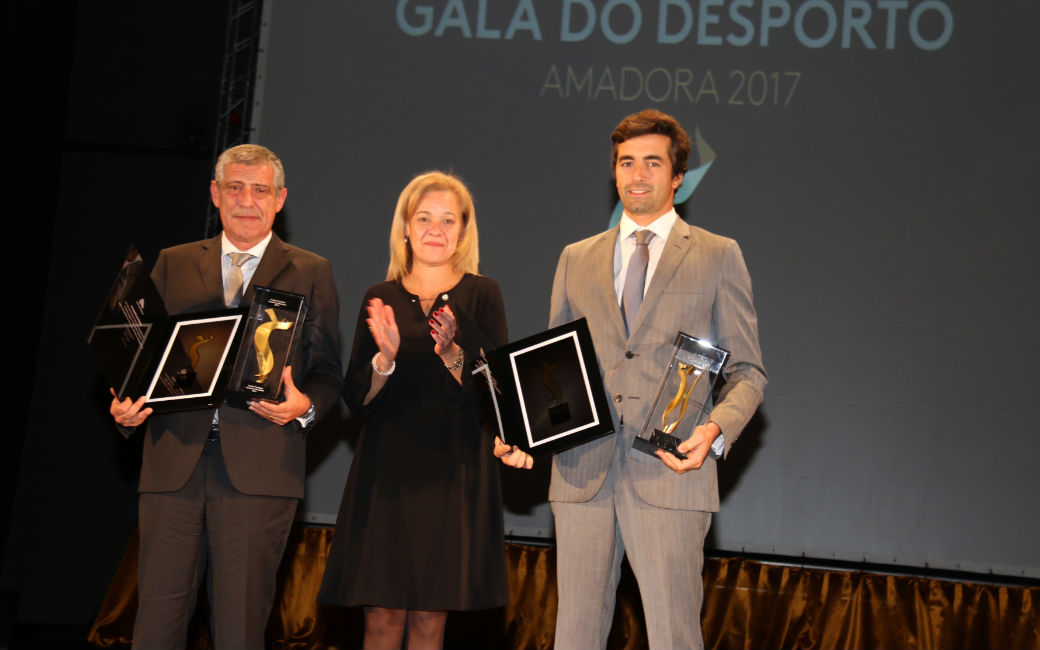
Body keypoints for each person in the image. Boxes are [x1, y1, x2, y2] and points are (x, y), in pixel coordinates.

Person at [547, 109, 767, 650]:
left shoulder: (718, 255)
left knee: (673, 637)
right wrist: (527, 427)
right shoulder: (576, 258)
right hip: (582, 476)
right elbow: (553, 369)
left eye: (652, 162)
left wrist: (713, 431)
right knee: (573, 637)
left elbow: (748, 373)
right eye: (626, 162)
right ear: (614, 172)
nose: (637, 174)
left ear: (677, 177)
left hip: (671, 474)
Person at [109, 144, 342, 649]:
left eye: (260, 190)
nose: (247, 200)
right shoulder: (171, 263)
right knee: (156, 625)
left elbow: (327, 374)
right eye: (235, 187)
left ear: (280, 199)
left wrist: (305, 407)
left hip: (261, 469)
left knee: (239, 628)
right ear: (215, 193)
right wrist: (127, 410)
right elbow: (140, 363)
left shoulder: (311, 270)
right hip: (173, 465)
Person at [318, 171, 531, 650]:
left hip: (455, 472)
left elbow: (497, 396)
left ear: (462, 232)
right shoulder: (380, 297)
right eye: (425, 218)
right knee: (382, 615)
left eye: (448, 220)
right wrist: (385, 359)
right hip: (386, 472)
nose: (436, 229)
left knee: (431, 620)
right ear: (407, 229)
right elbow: (357, 398)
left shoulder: (483, 294)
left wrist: (453, 354)